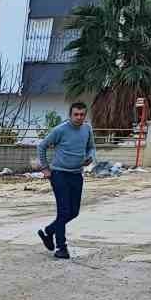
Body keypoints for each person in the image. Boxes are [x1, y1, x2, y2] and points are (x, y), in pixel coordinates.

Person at [37, 101, 96, 261]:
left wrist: (90, 157)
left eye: (82, 114)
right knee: (63, 212)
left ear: (85, 115)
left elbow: (91, 147)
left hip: (76, 174)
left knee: (73, 212)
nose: (79, 117)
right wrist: (45, 168)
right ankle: (61, 247)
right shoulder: (60, 130)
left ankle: (49, 231)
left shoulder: (87, 129)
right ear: (70, 115)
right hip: (59, 174)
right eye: (76, 114)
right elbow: (42, 146)